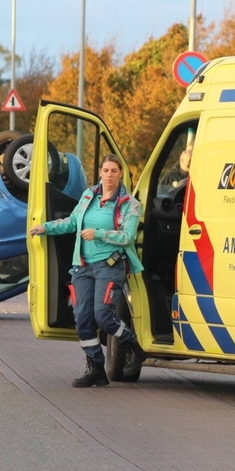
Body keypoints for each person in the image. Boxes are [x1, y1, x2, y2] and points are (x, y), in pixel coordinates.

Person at [30, 154, 146, 388]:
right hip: (82, 266)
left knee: (103, 316)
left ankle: (134, 346)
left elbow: (128, 237)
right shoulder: (88, 196)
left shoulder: (129, 204)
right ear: (100, 172)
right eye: (106, 170)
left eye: (114, 171)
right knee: (82, 320)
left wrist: (99, 234)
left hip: (109, 266)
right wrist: (45, 228)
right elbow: (72, 223)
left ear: (121, 173)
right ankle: (96, 369)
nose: (109, 175)